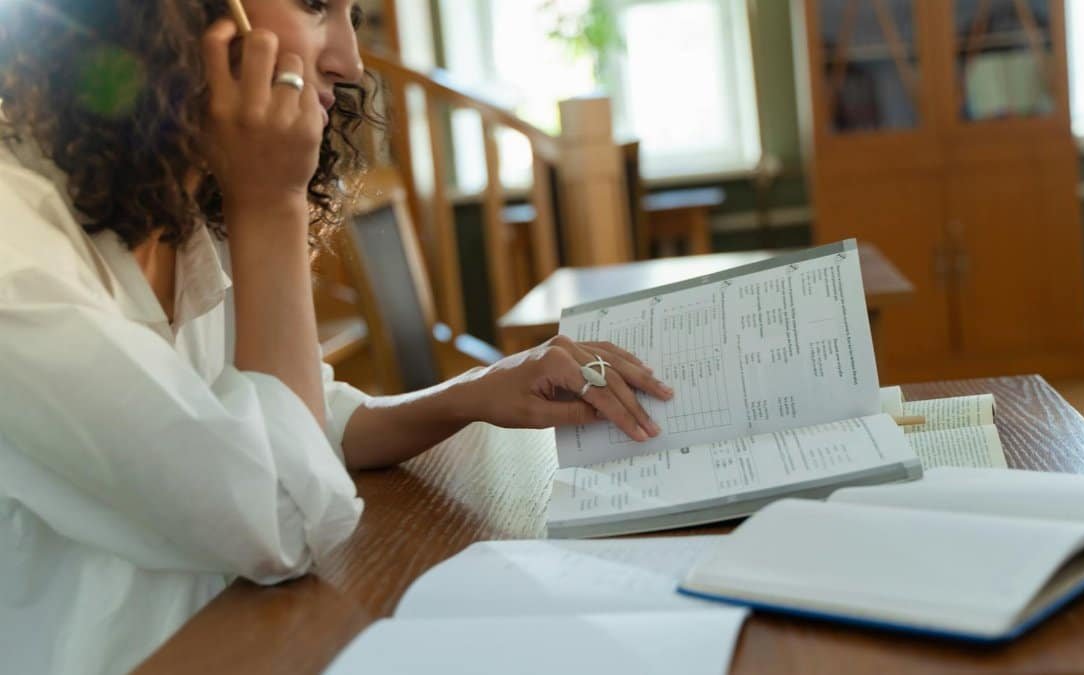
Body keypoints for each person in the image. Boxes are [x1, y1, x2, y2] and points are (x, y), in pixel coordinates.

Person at [0, 2, 672, 673]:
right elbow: (280, 515)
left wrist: (474, 392)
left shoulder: (169, 206)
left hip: (252, 639)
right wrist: (273, 206)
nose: (350, 61)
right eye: (318, 6)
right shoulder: (16, 251)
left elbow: (302, 419)